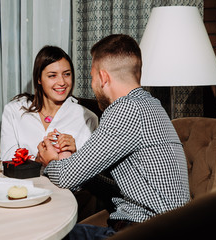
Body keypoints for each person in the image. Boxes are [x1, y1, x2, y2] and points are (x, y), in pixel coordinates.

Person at [36, 34, 190, 239]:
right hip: (167, 224)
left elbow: (65, 177)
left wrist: (51, 162)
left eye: (92, 77)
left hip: (147, 229)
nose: (92, 84)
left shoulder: (125, 109)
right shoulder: (152, 105)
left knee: (48, 234)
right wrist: (78, 164)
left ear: (103, 77)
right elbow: (125, 188)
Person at [0, 45, 98, 162]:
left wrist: (76, 152)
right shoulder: (14, 110)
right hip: (24, 180)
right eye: (52, 75)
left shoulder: (87, 118)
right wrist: (38, 159)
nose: (62, 82)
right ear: (39, 79)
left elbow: (91, 169)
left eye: (67, 74)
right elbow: (7, 160)